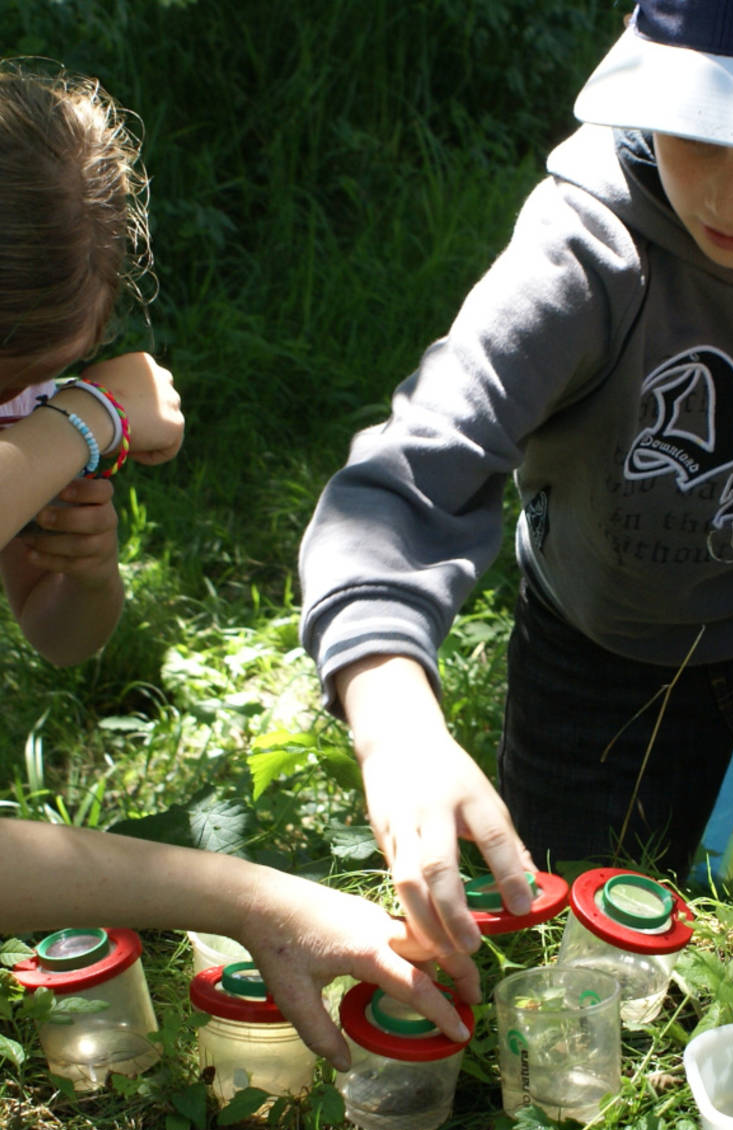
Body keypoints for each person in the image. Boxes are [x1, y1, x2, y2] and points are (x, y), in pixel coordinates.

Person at [298, 0, 733, 963]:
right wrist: (393, 719)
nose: (729, 198)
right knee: (550, 963)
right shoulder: (585, 248)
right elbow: (406, 473)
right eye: (696, 133)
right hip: (603, 652)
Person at [0, 61, 476, 1068]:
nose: (26, 411)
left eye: (41, 383)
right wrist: (86, 418)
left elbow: (63, 638)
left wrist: (81, 574)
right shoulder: (60, 421)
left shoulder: (27, 425)